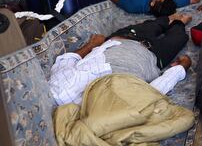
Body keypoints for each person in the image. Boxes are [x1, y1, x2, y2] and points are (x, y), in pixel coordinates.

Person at [49, 15, 193, 105]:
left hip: (123, 39)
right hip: (153, 57)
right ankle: (178, 22)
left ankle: (168, 18)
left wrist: (92, 45)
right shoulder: (117, 108)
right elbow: (153, 92)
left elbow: (66, 60)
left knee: (154, 25)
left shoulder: (62, 93)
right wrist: (180, 68)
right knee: (180, 36)